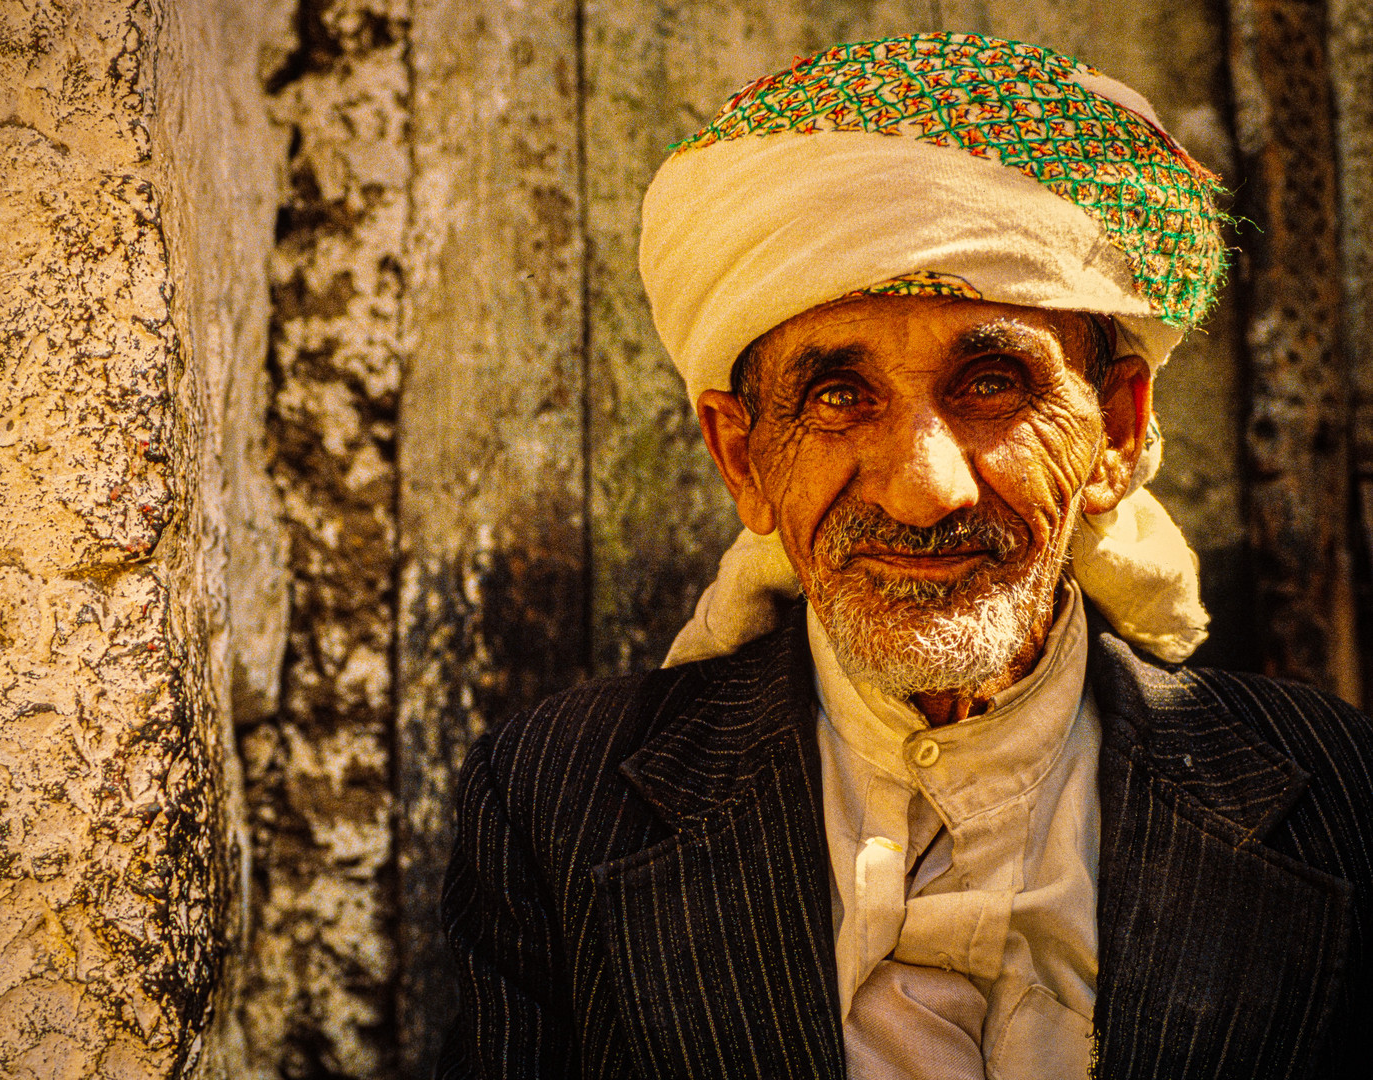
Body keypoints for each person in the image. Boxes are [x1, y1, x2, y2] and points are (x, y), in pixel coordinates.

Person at [436, 32, 1373, 1079]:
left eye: (990, 384)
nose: (923, 488)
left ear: (1113, 431)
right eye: (838, 397)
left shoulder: (1336, 790)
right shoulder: (555, 798)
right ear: (742, 457)